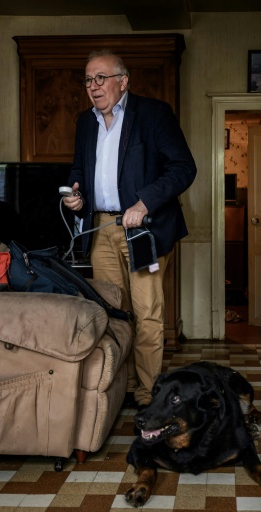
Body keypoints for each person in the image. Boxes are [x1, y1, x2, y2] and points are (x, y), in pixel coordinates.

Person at [63, 49, 197, 409]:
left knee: (148, 313)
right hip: (101, 230)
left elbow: (184, 168)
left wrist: (145, 202)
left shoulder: (153, 115)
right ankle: (121, 386)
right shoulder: (84, 122)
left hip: (144, 231)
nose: (94, 86)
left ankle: (148, 395)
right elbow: (79, 171)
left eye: (101, 78)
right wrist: (76, 196)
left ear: (123, 81)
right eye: (89, 79)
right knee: (112, 313)